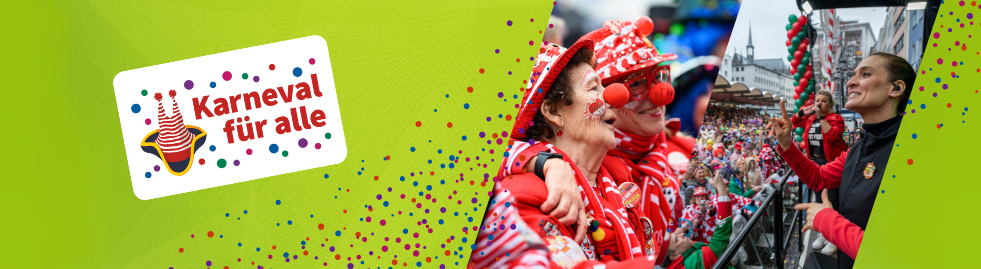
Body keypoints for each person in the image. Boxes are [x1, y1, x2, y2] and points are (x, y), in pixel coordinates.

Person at [471, 40, 670, 268]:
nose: (615, 98)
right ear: (554, 111)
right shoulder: (521, 195)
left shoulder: (618, 176)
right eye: (594, 87)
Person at [770, 52, 914, 268]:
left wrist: (828, 222)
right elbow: (819, 177)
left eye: (865, 74)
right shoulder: (860, 146)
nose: (850, 81)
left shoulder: (909, 155)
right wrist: (787, 145)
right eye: (853, 74)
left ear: (895, 88)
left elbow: (894, 254)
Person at [792, 89, 848, 255]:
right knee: (819, 199)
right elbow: (794, 122)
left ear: (829, 105)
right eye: (818, 100)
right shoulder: (810, 119)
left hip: (831, 164)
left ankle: (834, 237)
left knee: (832, 201)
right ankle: (824, 233)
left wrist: (821, 118)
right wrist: (804, 111)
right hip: (815, 163)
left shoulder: (836, 119)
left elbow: (833, 136)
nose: (819, 103)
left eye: (824, 101)